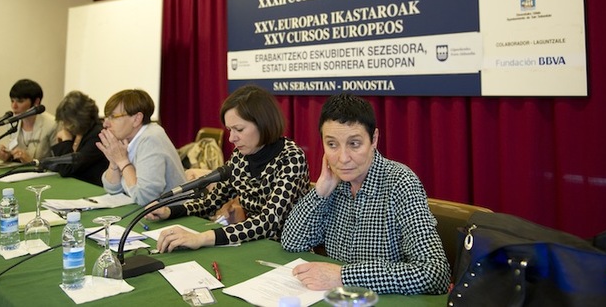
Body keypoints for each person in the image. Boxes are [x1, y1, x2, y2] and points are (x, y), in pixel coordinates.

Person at [281, 93, 450, 295]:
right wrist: (321, 189)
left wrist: (343, 276)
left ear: (374, 139)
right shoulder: (334, 182)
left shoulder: (401, 182)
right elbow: (292, 242)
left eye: (354, 144)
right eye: (332, 144)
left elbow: (435, 274)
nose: (343, 158)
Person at [145, 84, 310, 252]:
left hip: (288, 249)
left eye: (239, 129)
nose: (231, 138)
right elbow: (211, 203)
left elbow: (268, 222)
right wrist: (169, 211)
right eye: (229, 130)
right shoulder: (240, 156)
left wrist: (202, 238)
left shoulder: (291, 157)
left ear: (263, 123)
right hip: (253, 244)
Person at [96, 89, 186, 206]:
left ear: (137, 119)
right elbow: (112, 189)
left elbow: (145, 198)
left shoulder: (151, 139)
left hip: (174, 215)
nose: (105, 124)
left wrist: (122, 161)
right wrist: (114, 163)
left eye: (113, 116)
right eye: (106, 117)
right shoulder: (127, 139)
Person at [49, 91, 108, 186]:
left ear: (79, 118)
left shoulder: (97, 135)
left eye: (67, 121)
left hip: (92, 188)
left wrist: (66, 141)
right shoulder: (77, 133)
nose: (64, 125)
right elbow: (57, 167)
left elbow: (67, 169)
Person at [0, 79, 58, 164]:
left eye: (20, 101)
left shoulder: (52, 124)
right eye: (12, 101)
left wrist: (33, 162)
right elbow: (13, 149)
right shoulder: (13, 123)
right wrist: (8, 156)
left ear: (36, 102)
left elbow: (59, 161)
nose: (14, 106)